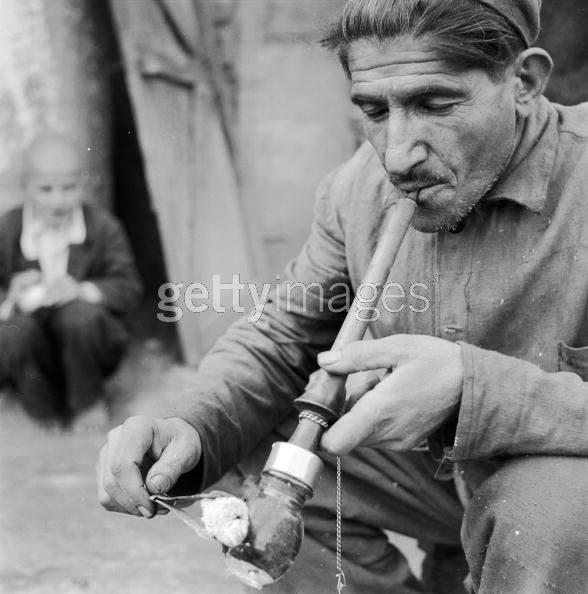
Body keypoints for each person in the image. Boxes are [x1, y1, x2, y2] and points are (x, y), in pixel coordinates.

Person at [97, 0, 588, 591]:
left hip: (559, 485)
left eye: (435, 104)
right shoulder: (359, 188)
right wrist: (192, 425)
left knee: (546, 511)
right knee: (245, 450)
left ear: (525, 82)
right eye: (375, 110)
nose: (399, 154)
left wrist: (473, 388)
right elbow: (280, 336)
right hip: (443, 481)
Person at [0, 133, 142, 430]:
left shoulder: (103, 228)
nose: (58, 200)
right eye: (46, 189)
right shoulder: (9, 229)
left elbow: (129, 288)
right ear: (24, 186)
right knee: (14, 331)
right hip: (33, 348)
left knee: (78, 316)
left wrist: (82, 290)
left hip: (87, 347)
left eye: (69, 188)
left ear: (84, 183)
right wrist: (11, 296)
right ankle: (41, 412)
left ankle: (88, 404)